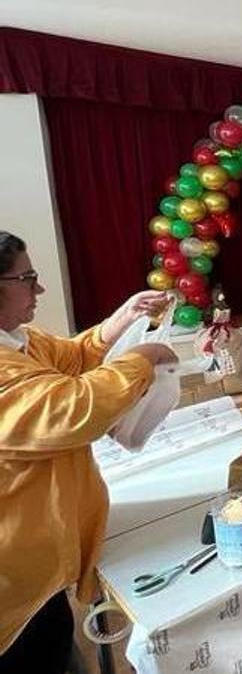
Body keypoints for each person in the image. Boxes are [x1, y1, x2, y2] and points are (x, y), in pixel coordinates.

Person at [0, 232, 179, 668]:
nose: (38, 289)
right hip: (11, 580)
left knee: (58, 646)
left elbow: (74, 357)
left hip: (38, 564)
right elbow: (73, 408)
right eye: (27, 278)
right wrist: (142, 357)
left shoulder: (20, 340)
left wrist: (123, 318)